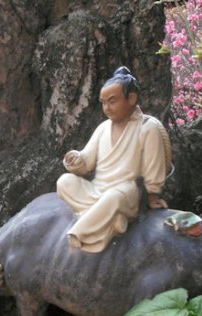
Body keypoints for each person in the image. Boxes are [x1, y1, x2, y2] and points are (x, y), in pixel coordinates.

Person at [56, 66, 170, 253]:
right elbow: (87, 161)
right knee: (64, 182)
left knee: (113, 198)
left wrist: (153, 195)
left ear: (131, 98)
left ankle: (81, 231)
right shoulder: (103, 128)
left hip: (125, 193)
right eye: (103, 103)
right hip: (97, 189)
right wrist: (76, 160)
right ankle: (110, 219)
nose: (107, 108)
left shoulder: (147, 128)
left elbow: (153, 168)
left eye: (112, 101)